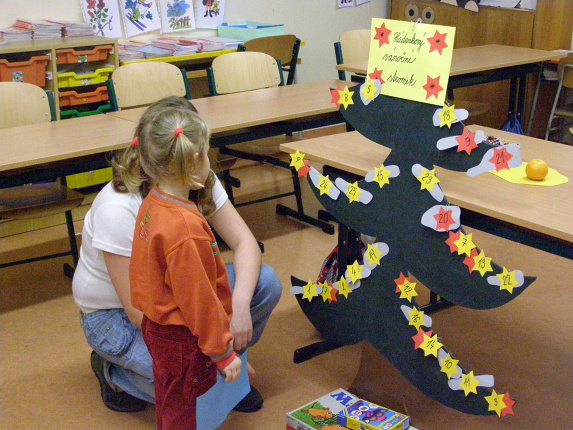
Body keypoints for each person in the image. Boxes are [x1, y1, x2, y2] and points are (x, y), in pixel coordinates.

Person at [72, 97, 282, 415]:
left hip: (173, 297)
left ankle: (226, 371)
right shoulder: (117, 207)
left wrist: (239, 309)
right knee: (188, 385)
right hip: (117, 317)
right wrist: (214, 358)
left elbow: (245, 244)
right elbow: (139, 312)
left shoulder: (194, 175)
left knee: (264, 283)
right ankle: (113, 373)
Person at [130, 101, 244, 429]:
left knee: (171, 400)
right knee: (187, 412)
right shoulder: (185, 227)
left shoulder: (153, 202)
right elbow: (198, 299)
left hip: (157, 327)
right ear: (194, 161)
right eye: (207, 154)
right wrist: (222, 352)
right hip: (183, 337)